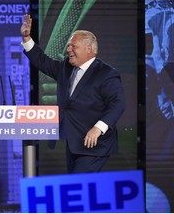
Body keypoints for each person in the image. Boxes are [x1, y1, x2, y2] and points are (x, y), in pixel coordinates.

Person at [20, 14, 126, 173]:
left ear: (88, 49)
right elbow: (43, 62)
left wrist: (98, 128)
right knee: (79, 189)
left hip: (94, 146)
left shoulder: (106, 73)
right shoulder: (66, 68)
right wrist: (27, 38)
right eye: (68, 46)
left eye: (73, 46)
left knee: (79, 185)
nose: (68, 49)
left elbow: (118, 104)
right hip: (73, 142)